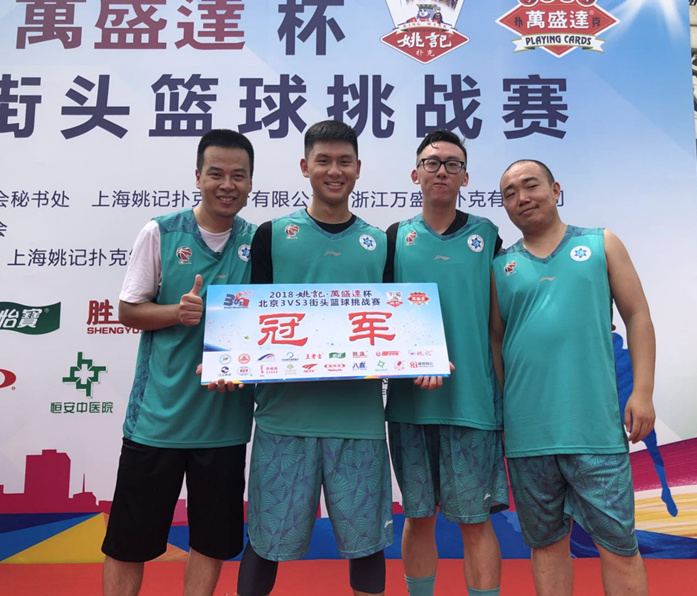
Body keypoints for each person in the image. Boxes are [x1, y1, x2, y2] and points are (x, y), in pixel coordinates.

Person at [235, 120, 392, 596]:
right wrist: (227, 359)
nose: (334, 171)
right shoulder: (272, 235)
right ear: (305, 167)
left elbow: (395, 327)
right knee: (264, 544)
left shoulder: (380, 242)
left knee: (367, 547)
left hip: (359, 420)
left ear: (359, 169)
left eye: (344, 161)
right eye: (323, 160)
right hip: (283, 418)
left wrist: (424, 361)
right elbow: (250, 321)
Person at [101, 129, 257, 596]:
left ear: (251, 182)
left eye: (238, 175)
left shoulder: (259, 241)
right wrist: (176, 312)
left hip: (224, 425)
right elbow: (128, 310)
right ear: (197, 176)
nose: (227, 185)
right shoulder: (161, 231)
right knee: (128, 543)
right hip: (157, 423)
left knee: (211, 542)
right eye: (216, 173)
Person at [490, 159, 656, 596]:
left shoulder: (601, 244)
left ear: (555, 189)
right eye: (509, 193)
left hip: (594, 430)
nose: (522, 197)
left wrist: (642, 392)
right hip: (528, 436)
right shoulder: (500, 266)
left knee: (619, 546)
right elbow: (496, 342)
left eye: (531, 185)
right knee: (545, 545)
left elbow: (637, 316)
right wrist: (507, 411)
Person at [384, 129, 508, 596]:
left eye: (452, 164)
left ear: (465, 177)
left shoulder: (487, 236)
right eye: (432, 162)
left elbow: (499, 326)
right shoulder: (395, 238)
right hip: (410, 406)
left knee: (476, 522)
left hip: (472, 403)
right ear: (415, 174)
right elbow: (379, 320)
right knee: (418, 517)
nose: (441, 170)